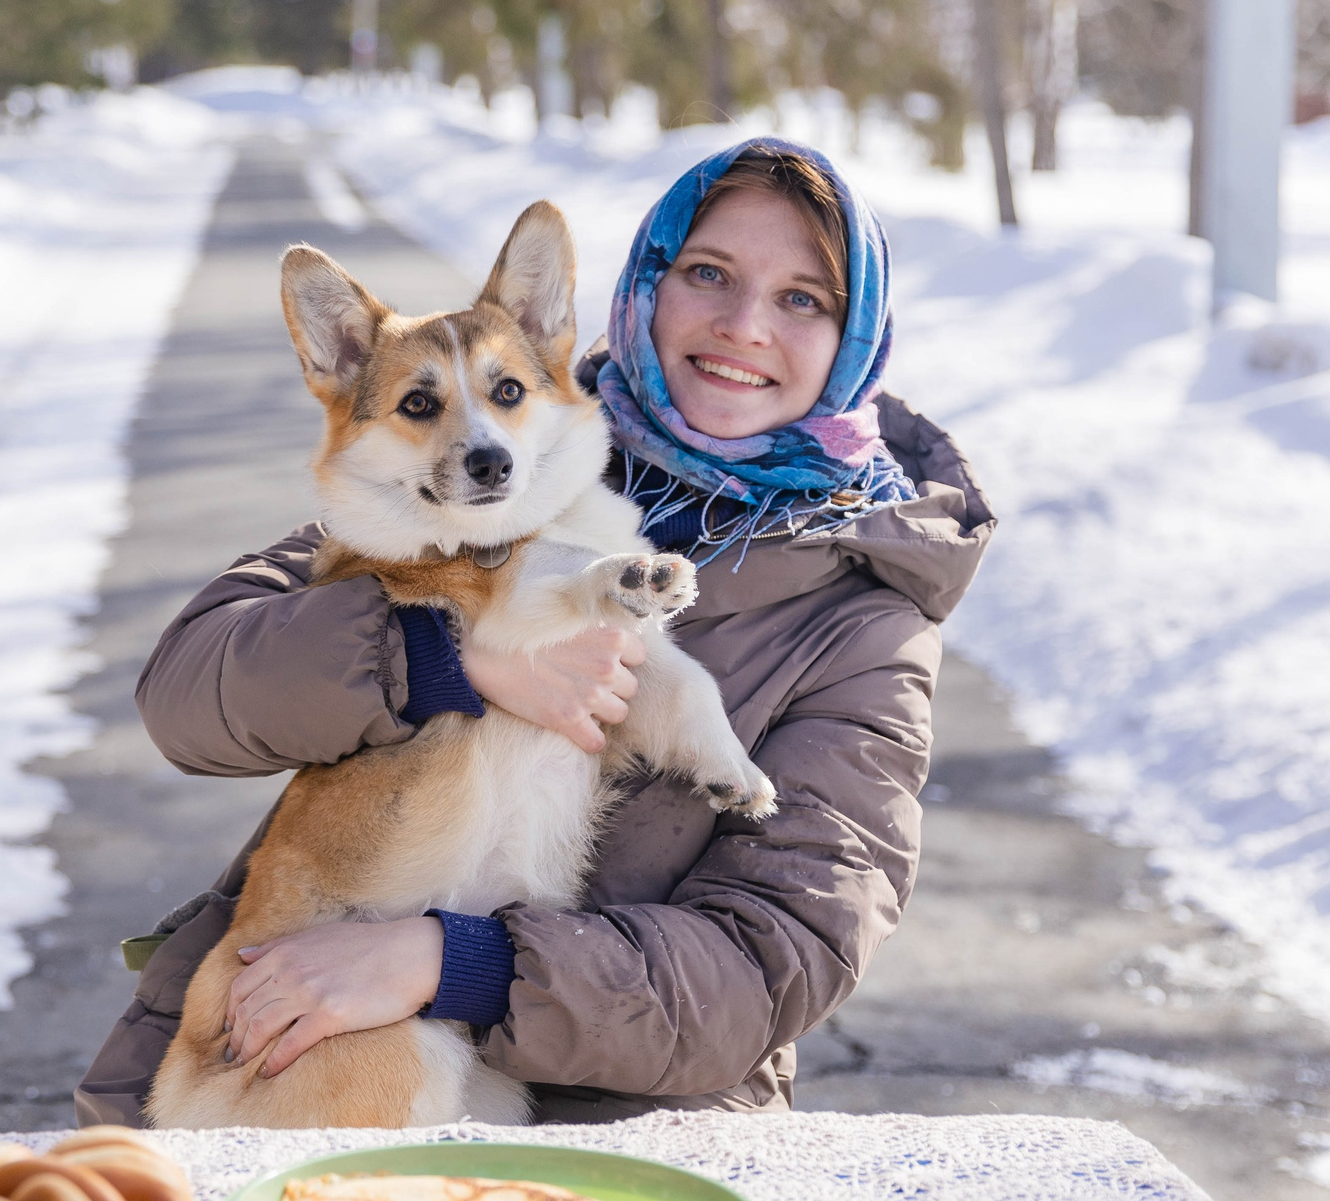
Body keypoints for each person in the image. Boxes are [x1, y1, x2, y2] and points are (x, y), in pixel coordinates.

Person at [77, 139, 993, 1127]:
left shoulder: (864, 617)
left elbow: (771, 962)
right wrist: (442, 657)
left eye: (802, 298)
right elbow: (187, 692)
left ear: (854, 338)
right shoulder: (468, 478)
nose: (743, 325)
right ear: (646, 285)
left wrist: (450, 961)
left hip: (624, 1133)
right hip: (299, 1049)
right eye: (707, 273)